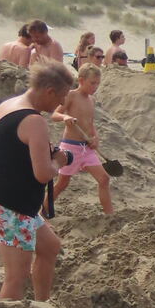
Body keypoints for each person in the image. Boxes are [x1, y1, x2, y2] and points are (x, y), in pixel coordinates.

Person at [0, 60, 73, 307]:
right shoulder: (34, 121)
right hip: (12, 206)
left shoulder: (5, 105)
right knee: (17, 277)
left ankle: (42, 306)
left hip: (6, 200)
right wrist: (58, 160)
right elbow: (43, 174)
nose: (61, 104)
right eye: (62, 97)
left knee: (50, 247)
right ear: (49, 91)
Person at [51, 63, 114, 215]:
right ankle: (43, 212)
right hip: (70, 147)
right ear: (81, 80)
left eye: (98, 83)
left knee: (104, 179)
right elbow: (54, 114)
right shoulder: (71, 95)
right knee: (62, 183)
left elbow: (90, 123)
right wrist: (65, 117)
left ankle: (110, 215)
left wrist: (95, 138)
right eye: (92, 83)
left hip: (86, 148)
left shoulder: (91, 100)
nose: (95, 87)